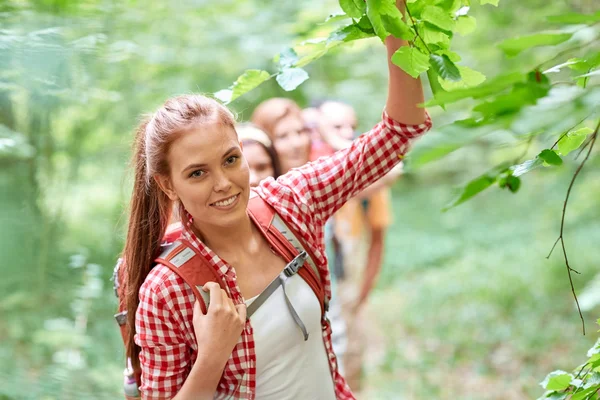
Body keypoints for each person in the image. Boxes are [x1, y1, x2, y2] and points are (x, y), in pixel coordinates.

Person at [122, 6, 431, 398]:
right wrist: (212, 354)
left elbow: (398, 132)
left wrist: (394, 16)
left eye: (231, 160)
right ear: (167, 185)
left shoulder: (291, 203)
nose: (223, 183)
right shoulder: (167, 290)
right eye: (197, 173)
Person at [319, 100, 395, 391]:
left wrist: (363, 293)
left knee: (350, 356)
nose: (347, 133)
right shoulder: (303, 166)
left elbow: (377, 239)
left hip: (347, 278)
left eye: (352, 126)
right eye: (337, 126)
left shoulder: (368, 179)